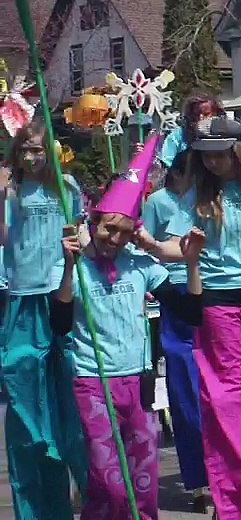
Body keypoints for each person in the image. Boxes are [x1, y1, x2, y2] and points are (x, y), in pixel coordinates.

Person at [134, 116, 241, 519]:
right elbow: (181, 249)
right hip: (218, 307)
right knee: (230, 404)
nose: (212, 162)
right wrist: (153, 245)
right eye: (206, 155)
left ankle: (239, 485)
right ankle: (240, 502)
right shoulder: (196, 197)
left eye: (219, 154)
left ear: (237, 152)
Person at [54, 137, 205, 520]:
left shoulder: (141, 265)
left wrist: (190, 265)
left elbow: (190, 312)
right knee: (110, 486)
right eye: (108, 229)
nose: (114, 239)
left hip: (137, 383)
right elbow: (59, 323)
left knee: (143, 488)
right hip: (93, 383)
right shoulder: (76, 267)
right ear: (94, 222)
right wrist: (70, 268)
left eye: (123, 232)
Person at [0, 122, 88, 520]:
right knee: (25, 409)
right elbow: (4, 238)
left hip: (62, 296)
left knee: (72, 403)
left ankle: (87, 494)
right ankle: (37, 509)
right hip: (22, 299)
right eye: (26, 150)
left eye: (39, 149)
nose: (33, 157)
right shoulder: (11, 191)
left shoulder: (66, 186)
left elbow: (82, 231)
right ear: (16, 154)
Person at [141, 152, 211, 509]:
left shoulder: (208, 197)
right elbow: (146, 247)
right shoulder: (157, 202)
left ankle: (231, 469)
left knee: (219, 390)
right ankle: (197, 480)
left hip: (210, 292)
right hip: (174, 295)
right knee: (184, 392)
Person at [159, 93, 223, 168]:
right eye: (196, 114)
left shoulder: (223, 134)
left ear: (216, 114)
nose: (200, 118)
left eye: (206, 114)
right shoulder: (177, 136)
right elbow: (167, 163)